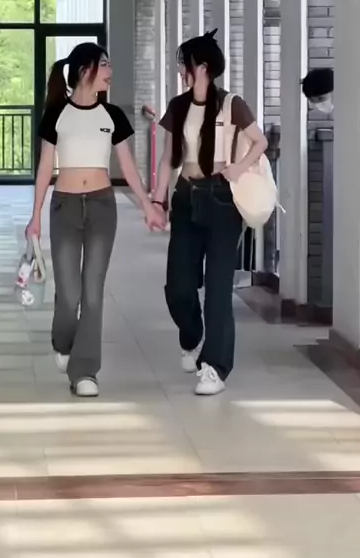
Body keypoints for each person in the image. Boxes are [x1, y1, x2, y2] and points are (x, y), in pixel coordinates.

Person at [25, 42, 165, 398]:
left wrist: (148, 205)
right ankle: (63, 341)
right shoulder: (57, 114)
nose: (110, 72)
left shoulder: (112, 115)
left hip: (103, 207)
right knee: (69, 293)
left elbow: (128, 167)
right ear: (85, 70)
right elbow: (45, 167)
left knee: (92, 293)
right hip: (65, 208)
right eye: (104, 65)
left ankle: (85, 370)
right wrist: (35, 216)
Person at [152, 30, 268, 396]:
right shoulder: (178, 106)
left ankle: (215, 367)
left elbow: (261, 141)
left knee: (218, 289)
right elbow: (168, 158)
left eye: (183, 64)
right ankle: (192, 335)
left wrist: (239, 167)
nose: (180, 70)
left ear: (201, 67)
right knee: (178, 286)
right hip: (187, 198)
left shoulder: (232, 104)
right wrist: (157, 200)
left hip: (222, 200)